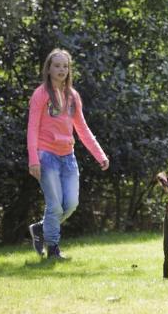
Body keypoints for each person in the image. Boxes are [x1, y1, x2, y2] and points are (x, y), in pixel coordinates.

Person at [27, 48, 110, 260]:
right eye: (57, 65)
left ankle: (40, 228)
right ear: (48, 68)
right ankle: (53, 250)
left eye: (65, 66)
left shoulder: (72, 96)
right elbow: (32, 128)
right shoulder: (41, 95)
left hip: (68, 158)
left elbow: (82, 128)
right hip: (46, 156)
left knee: (71, 204)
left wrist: (99, 154)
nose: (61, 69)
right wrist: (33, 159)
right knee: (54, 205)